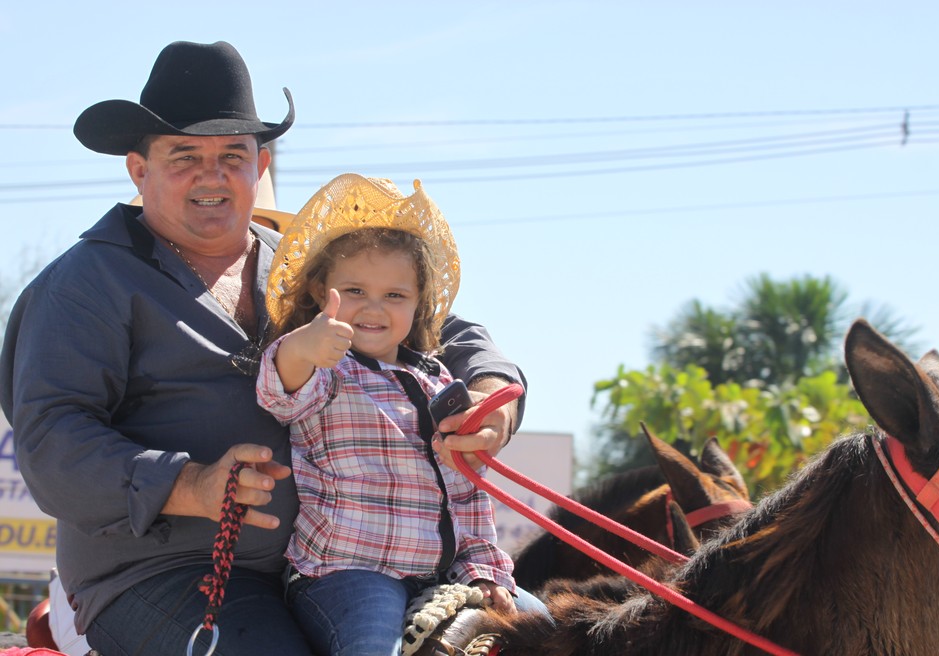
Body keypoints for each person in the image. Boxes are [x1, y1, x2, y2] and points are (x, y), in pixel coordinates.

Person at [0, 41, 526, 656]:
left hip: (336, 567)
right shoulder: (84, 284)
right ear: (137, 168)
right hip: (160, 575)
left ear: (261, 162)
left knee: (543, 637)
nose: (211, 175)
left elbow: (442, 326)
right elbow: (53, 441)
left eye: (232, 155)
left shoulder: (305, 259)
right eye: (184, 156)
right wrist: (189, 484)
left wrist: (495, 393)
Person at [258, 174, 547, 656]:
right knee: (373, 647)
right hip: (345, 571)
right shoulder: (326, 370)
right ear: (317, 289)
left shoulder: (437, 381)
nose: (373, 308)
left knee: (548, 629)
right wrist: (304, 345)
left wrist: (483, 570)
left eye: (395, 295)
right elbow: (279, 388)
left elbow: (467, 492)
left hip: (441, 572)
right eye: (353, 290)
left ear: (419, 303)